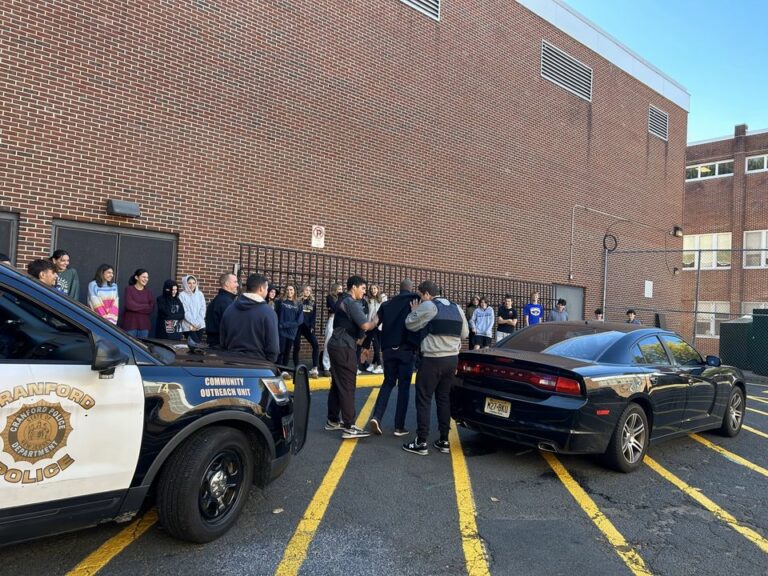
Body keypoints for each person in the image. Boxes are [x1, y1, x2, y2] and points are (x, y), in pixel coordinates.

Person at [403, 280, 468, 455]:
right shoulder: (457, 308)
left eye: (420, 296)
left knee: (423, 399)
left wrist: (415, 312)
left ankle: (421, 442)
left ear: (426, 295)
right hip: (452, 360)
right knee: (443, 398)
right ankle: (444, 440)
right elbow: (465, 334)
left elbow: (409, 324)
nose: (421, 299)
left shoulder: (429, 306)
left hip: (432, 360)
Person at [325, 275, 377, 439]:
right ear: (354, 287)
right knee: (347, 384)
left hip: (337, 346)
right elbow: (365, 325)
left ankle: (333, 420)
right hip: (343, 348)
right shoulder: (350, 302)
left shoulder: (343, 301)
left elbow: (357, 328)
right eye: (362, 288)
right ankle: (349, 426)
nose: (364, 291)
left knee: (338, 383)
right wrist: (378, 318)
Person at [367, 278, 420, 437]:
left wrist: (364, 346)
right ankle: (399, 427)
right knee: (404, 387)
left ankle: (376, 417)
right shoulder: (414, 301)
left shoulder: (386, 304)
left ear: (399, 289)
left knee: (388, 383)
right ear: (411, 289)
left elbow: (374, 324)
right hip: (406, 350)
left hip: (388, 350)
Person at [219, 273, 279, 362]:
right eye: (267, 289)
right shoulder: (269, 313)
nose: (267, 291)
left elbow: (222, 340)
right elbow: (273, 348)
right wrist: (270, 363)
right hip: (258, 366)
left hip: (231, 363)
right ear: (261, 288)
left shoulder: (230, 309)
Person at [205, 272, 239, 348]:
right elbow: (230, 326)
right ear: (227, 283)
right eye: (235, 282)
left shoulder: (222, 300)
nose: (237, 285)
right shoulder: (224, 302)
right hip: (220, 345)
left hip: (218, 343)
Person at [293, 285, 320, 378]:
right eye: (306, 290)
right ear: (302, 291)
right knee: (296, 346)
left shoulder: (312, 302)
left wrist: (312, 326)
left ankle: (315, 368)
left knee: (315, 344)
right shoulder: (297, 301)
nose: (308, 291)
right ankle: (296, 367)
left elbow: (314, 315)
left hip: (308, 327)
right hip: (298, 326)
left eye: (309, 290)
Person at [276, 284, 303, 367]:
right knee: (281, 351)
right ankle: (278, 369)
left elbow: (300, 321)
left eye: (291, 289)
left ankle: (284, 369)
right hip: (281, 330)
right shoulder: (281, 302)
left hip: (291, 331)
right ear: (285, 291)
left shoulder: (298, 304)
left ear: (294, 291)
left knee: (287, 351)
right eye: (287, 290)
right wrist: (280, 325)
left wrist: (286, 325)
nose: (289, 291)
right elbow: (276, 314)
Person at [122, 269, 154, 338]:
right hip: (130, 325)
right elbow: (129, 305)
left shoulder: (149, 292)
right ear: (136, 277)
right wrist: (145, 306)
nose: (146, 279)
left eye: (147, 277)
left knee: (141, 347)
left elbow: (151, 308)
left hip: (144, 326)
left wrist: (135, 306)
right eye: (143, 277)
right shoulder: (129, 289)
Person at [321, 283, 343, 377]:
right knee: (328, 342)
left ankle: (336, 365)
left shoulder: (343, 298)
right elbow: (334, 309)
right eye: (339, 289)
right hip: (332, 320)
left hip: (341, 322)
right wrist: (340, 299)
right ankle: (326, 366)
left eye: (342, 289)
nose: (341, 291)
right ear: (335, 289)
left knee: (339, 344)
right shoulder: (330, 297)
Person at [362, 284, 384, 374]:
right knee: (369, 344)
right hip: (370, 325)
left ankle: (379, 365)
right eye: (371, 289)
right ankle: (374, 364)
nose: (373, 290)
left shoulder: (382, 299)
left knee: (376, 345)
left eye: (375, 288)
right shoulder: (368, 300)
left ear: (378, 289)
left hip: (379, 325)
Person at [179, 274, 206, 343]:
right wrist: (194, 324)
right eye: (189, 283)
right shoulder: (182, 295)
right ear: (185, 284)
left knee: (196, 346)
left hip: (200, 325)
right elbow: (185, 312)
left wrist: (197, 323)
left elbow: (203, 309)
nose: (192, 285)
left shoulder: (200, 294)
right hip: (188, 326)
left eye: (194, 283)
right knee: (194, 344)